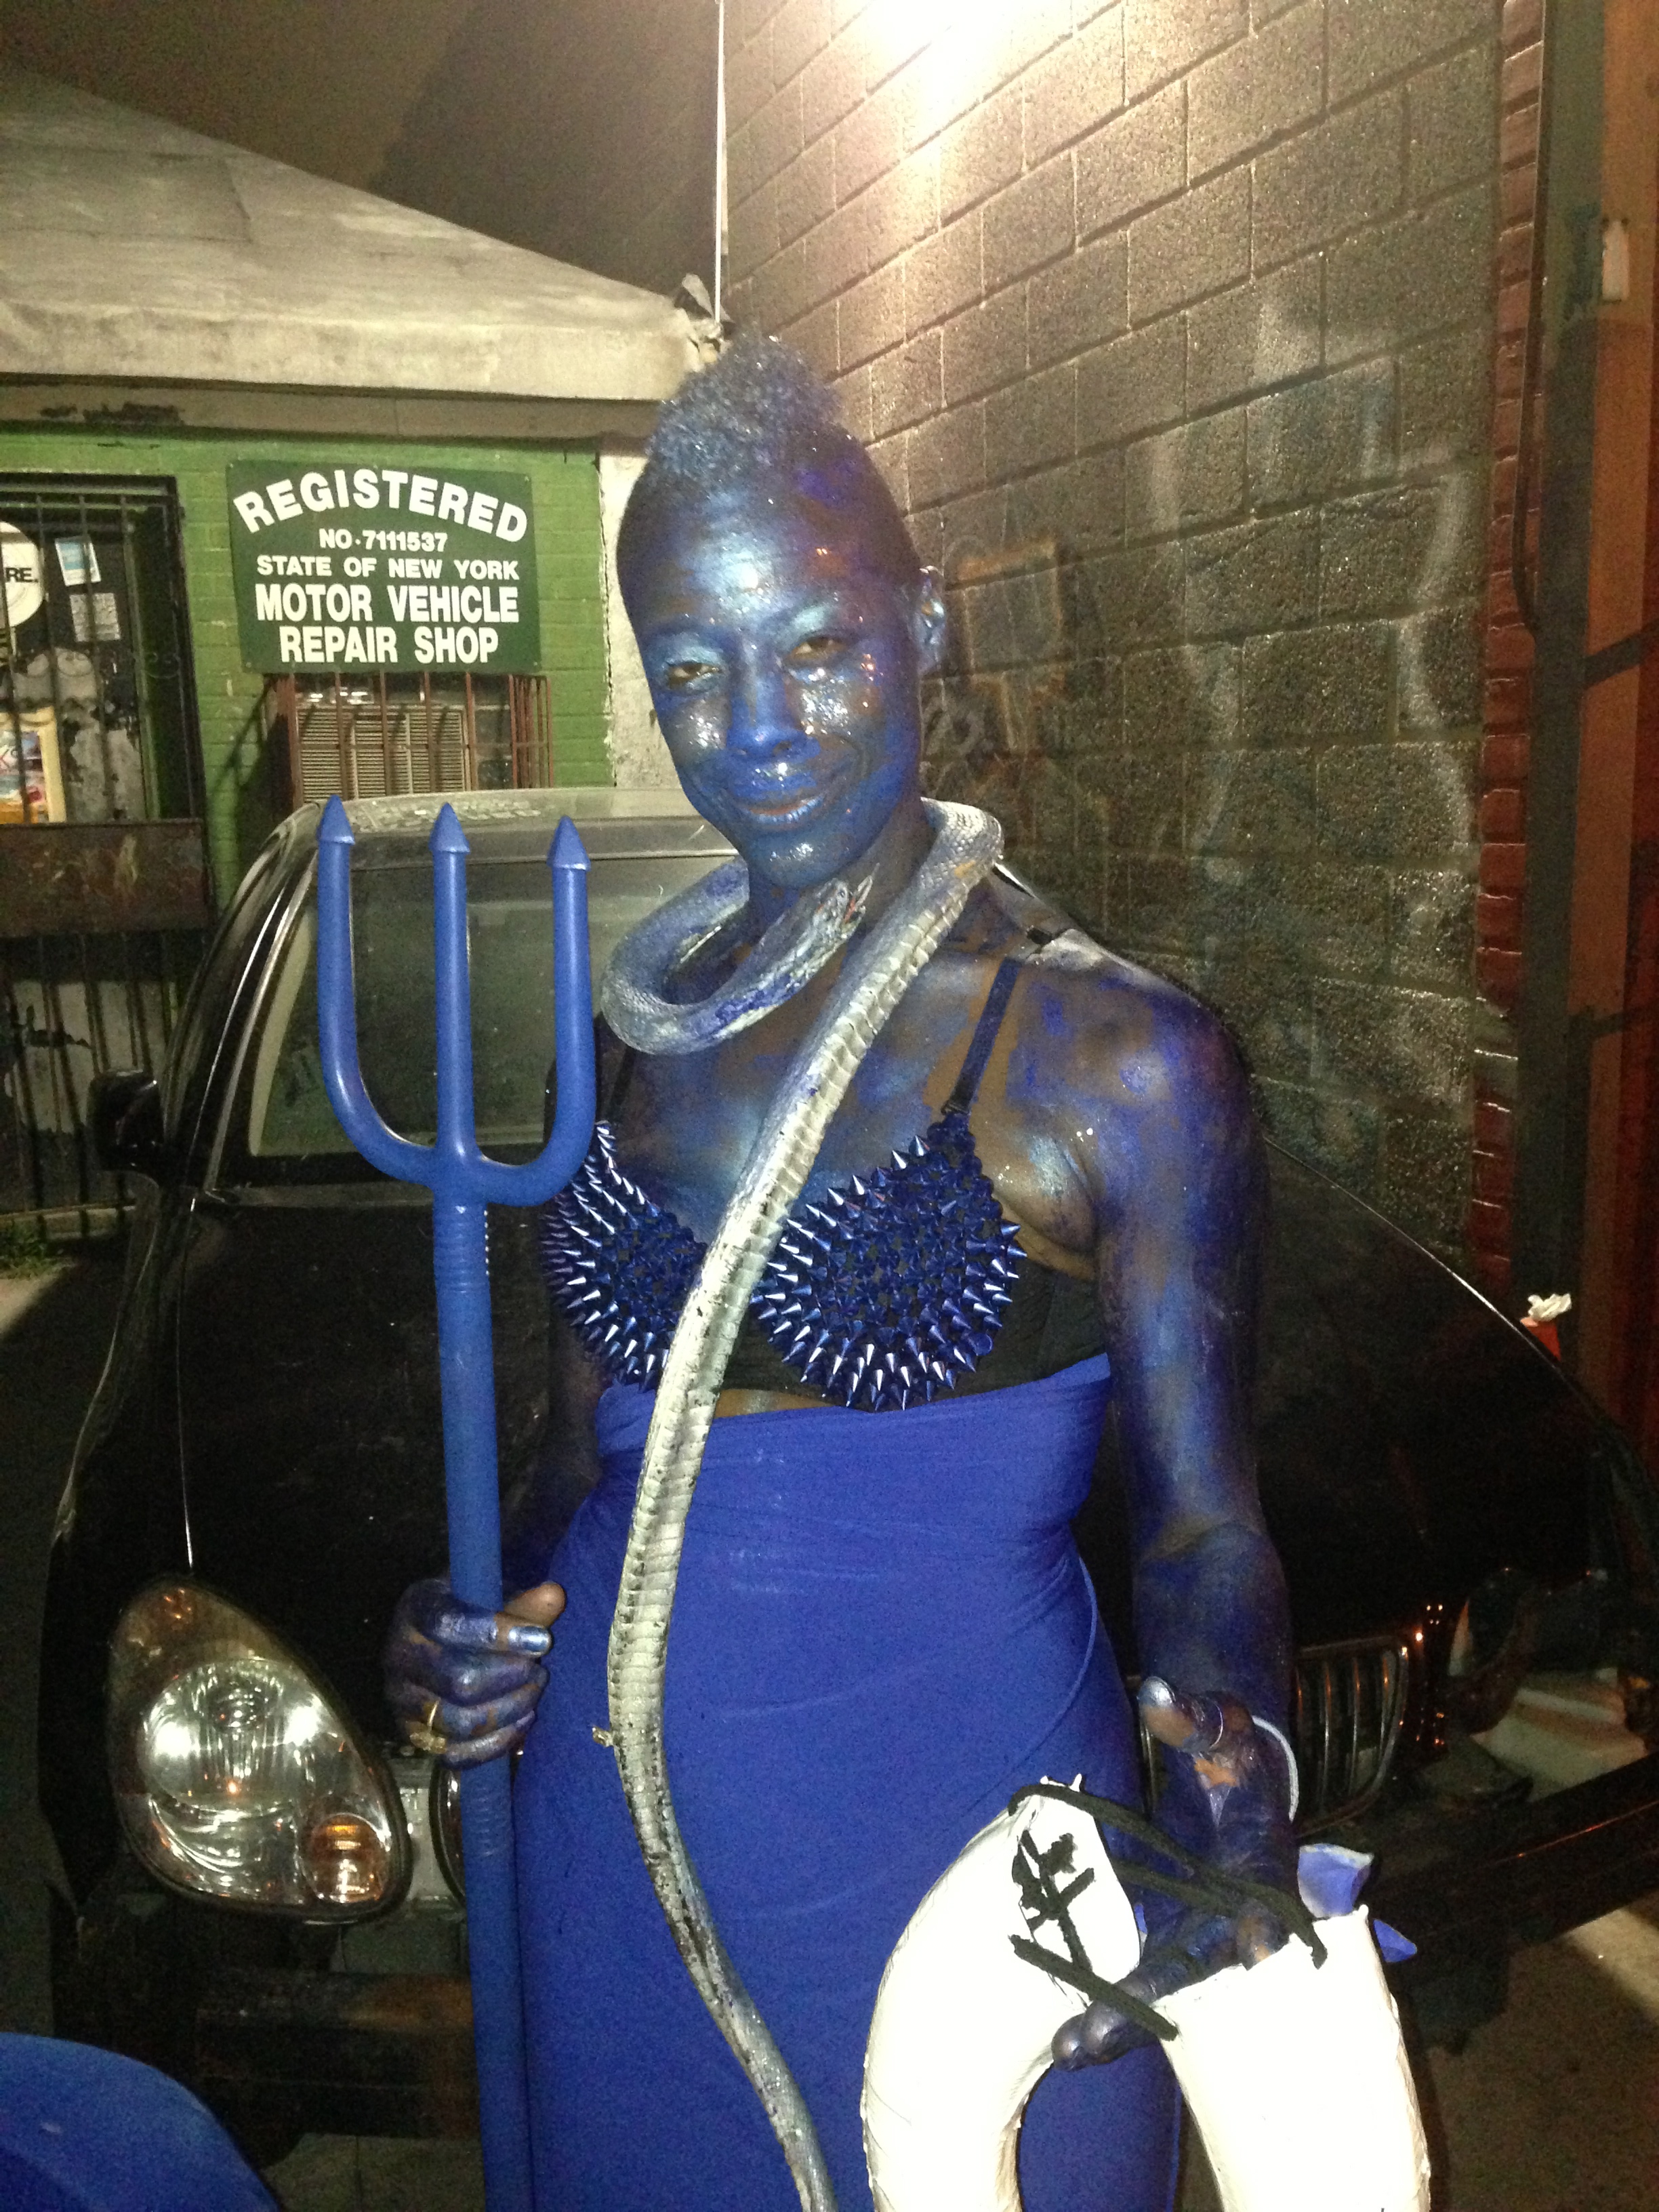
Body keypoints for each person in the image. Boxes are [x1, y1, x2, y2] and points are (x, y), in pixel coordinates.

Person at [384, 333, 1296, 2211]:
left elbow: (1204, 1528)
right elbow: (573, 1470)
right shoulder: (632, 1038)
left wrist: (1239, 1790)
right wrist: (460, 1625)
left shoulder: (1120, 1062)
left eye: (817, 646)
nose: (761, 728)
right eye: (693, 669)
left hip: (977, 1867)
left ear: (925, 627)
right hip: (615, 1858)